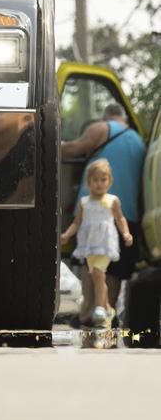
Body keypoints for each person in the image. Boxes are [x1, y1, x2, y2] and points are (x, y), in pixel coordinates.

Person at [61, 102, 145, 322]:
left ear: (106, 116)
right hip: (128, 214)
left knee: (92, 264)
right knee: (115, 269)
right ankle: (108, 314)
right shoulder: (139, 141)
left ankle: (88, 312)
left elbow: (71, 150)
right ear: (124, 118)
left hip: (94, 212)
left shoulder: (101, 129)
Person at [61, 158, 133, 327]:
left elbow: (120, 218)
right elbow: (77, 223)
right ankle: (108, 307)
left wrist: (126, 233)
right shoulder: (84, 202)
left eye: (103, 180)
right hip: (89, 246)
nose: (100, 184)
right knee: (95, 276)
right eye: (96, 180)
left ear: (110, 181)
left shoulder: (112, 200)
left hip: (106, 244)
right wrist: (67, 234)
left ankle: (100, 308)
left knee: (99, 273)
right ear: (89, 182)